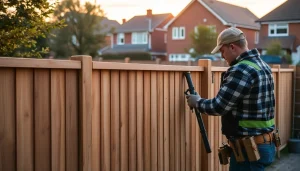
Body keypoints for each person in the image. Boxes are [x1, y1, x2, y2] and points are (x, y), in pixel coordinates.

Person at [186, 27, 276, 171]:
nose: (222, 56)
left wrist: (197, 101)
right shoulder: (263, 66)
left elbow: (219, 106)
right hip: (266, 143)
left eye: (222, 51)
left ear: (232, 47)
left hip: (250, 151)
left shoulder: (241, 70)